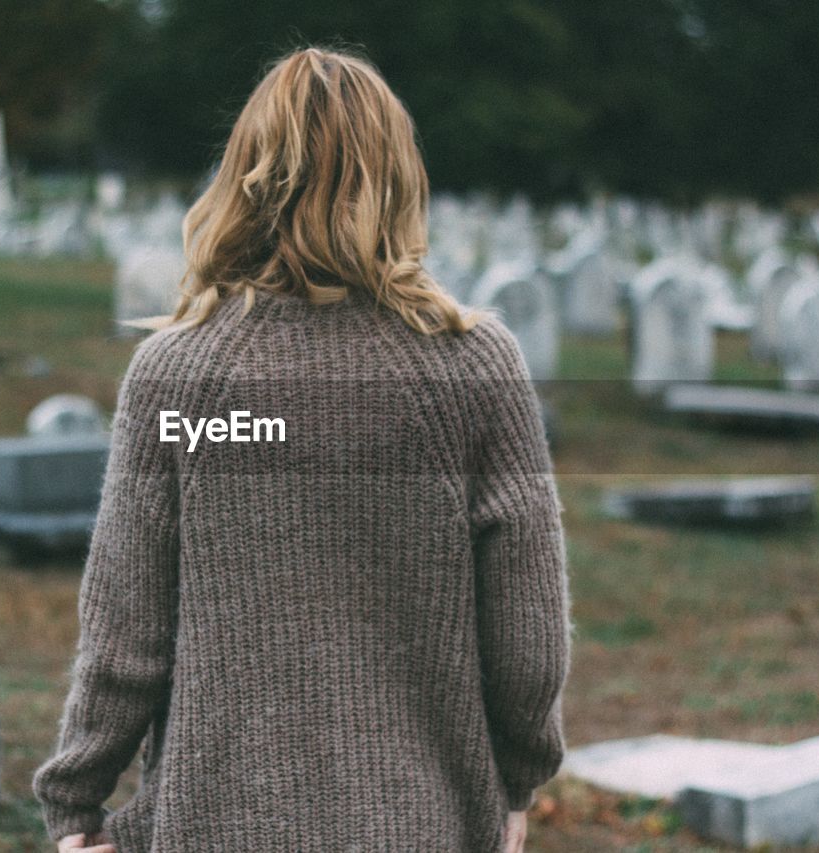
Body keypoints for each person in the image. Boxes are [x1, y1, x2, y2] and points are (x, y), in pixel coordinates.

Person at [33, 46, 572, 853]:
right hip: (424, 821)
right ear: (396, 177)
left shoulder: (177, 377)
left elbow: (125, 631)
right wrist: (514, 779)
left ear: (247, 174)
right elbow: (529, 637)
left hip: (216, 822)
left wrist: (76, 803)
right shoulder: (475, 366)